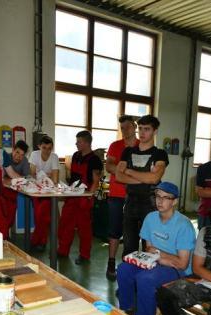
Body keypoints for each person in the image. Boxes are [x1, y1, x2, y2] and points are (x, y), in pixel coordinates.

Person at [116, 182, 196, 315]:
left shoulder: (184, 225)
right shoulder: (150, 218)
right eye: (158, 196)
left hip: (178, 270)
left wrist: (159, 255)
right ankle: (127, 310)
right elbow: (148, 249)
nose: (160, 201)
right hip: (157, 262)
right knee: (123, 269)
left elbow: (182, 264)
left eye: (166, 197)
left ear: (175, 201)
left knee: (145, 278)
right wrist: (161, 257)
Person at [116, 115, 169, 257]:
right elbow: (119, 176)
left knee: (150, 248)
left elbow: (155, 178)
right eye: (140, 128)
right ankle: (128, 277)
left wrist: (129, 171)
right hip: (130, 204)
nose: (142, 132)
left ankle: (146, 278)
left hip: (150, 205)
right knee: (128, 247)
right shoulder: (128, 151)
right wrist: (144, 178)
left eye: (147, 129)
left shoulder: (160, 154)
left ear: (155, 131)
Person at [57, 130, 102, 264]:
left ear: (87, 143)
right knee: (66, 224)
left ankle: (84, 255)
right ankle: (63, 250)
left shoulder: (95, 160)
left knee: (84, 229)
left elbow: (95, 181)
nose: (76, 144)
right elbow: (72, 176)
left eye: (79, 141)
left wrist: (89, 197)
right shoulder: (76, 155)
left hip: (84, 197)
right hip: (72, 195)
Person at [105, 115, 139, 280]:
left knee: (134, 233)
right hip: (117, 195)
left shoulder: (143, 146)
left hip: (137, 197)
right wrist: (129, 172)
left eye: (128, 127)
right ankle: (111, 262)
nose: (125, 130)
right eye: (122, 128)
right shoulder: (115, 146)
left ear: (134, 127)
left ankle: (130, 266)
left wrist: (121, 171)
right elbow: (109, 166)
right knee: (114, 231)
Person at [29, 135, 59, 251]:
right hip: (36, 189)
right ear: (39, 147)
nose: (47, 151)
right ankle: (39, 241)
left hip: (49, 190)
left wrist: (43, 176)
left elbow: (55, 179)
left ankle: (39, 241)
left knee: (45, 216)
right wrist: (47, 175)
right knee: (38, 216)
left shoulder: (54, 157)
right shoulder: (34, 155)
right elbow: (32, 174)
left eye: (49, 148)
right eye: (44, 148)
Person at [2, 140, 30, 229]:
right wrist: (14, 179)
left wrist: (12, 180)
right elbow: (2, 179)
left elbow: (26, 178)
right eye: (17, 152)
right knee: (2, 214)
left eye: (22, 155)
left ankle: (6, 234)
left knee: (11, 214)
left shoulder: (25, 161)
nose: (18, 156)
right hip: (3, 190)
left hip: (15, 191)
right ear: (13, 150)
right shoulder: (5, 157)